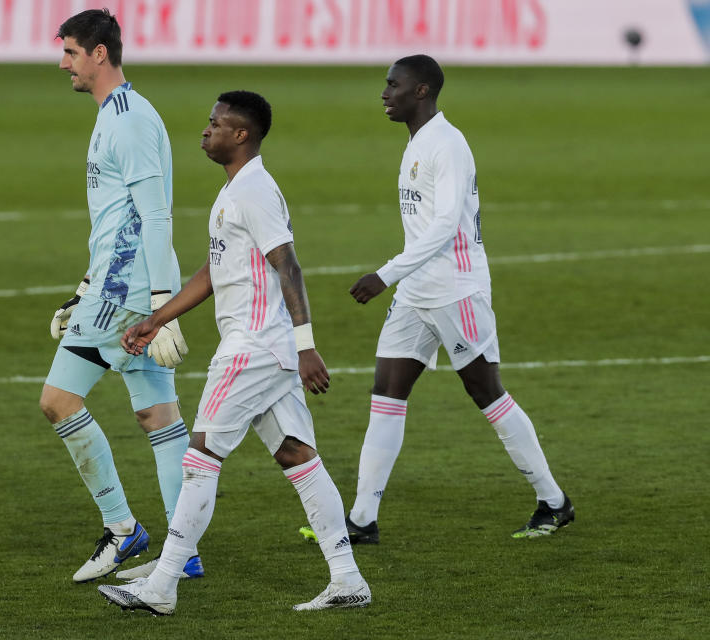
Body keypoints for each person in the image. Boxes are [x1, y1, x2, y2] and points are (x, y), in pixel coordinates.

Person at [96, 91, 370, 616]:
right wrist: (158, 319)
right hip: (267, 346)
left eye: (215, 124)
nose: (205, 131)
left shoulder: (256, 192)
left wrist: (306, 344)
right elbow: (213, 272)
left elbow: (289, 265)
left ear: (240, 134)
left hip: (254, 346)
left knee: (200, 454)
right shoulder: (235, 191)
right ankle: (347, 578)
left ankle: (164, 584)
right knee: (297, 455)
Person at [344, 54, 574, 543]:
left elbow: (447, 226)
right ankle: (362, 520)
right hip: (416, 293)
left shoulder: (447, 145)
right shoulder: (417, 142)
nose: (384, 93)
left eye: (393, 85)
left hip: (456, 291)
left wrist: (385, 274)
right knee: (386, 394)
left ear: (422, 90)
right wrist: (402, 280)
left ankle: (554, 502)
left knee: (485, 393)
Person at [39, 8, 203, 584]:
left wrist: (163, 308)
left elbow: (155, 215)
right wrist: (83, 286)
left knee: (58, 401)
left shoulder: (128, 121)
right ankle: (185, 551)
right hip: (114, 286)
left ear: (100, 53)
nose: (64, 63)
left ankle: (122, 528)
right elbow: (119, 218)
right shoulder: (118, 113)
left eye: (71, 53)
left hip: (125, 295)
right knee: (159, 417)